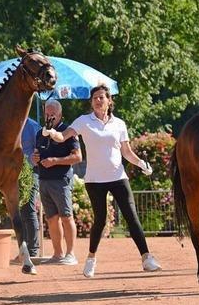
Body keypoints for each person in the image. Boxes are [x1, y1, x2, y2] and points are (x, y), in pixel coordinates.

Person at [42, 84, 162, 278]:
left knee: (132, 217)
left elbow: (126, 152)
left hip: (118, 177)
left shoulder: (119, 124)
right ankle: (91, 259)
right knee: (100, 220)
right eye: (95, 98)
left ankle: (147, 257)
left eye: (101, 97)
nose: (98, 101)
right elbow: (63, 137)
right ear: (91, 102)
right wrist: (51, 133)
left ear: (109, 101)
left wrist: (141, 164)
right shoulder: (83, 121)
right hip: (95, 180)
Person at [32, 100, 81, 266]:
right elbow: (36, 154)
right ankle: (58, 254)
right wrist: (35, 158)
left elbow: (77, 157)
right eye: (47, 113)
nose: (49, 116)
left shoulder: (68, 132)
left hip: (61, 180)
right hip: (43, 179)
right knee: (52, 219)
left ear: (60, 115)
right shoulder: (40, 133)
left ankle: (71, 254)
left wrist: (55, 161)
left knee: (66, 217)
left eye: (52, 114)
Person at [18, 117, 41, 260]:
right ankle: (24, 250)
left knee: (29, 210)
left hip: (31, 172)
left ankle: (32, 251)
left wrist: (31, 160)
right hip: (14, 174)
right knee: (20, 212)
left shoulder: (33, 126)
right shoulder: (10, 122)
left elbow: (39, 149)